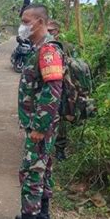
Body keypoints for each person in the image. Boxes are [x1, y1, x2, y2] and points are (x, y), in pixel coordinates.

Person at [13, 4, 64, 219]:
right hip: (41, 124)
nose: (23, 26)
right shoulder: (37, 48)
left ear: (40, 22)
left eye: (26, 21)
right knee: (43, 169)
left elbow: (53, 90)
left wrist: (40, 127)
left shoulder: (47, 50)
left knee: (32, 171)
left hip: (42, 126)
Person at [47, 20, 68, 161]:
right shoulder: (44, 47)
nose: (49, 34)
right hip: (46, 90)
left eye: (51, 31)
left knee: (61, 120)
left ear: (58, 32)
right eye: (47, 31)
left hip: (62, 88)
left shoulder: (64, 47)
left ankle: (60, 150)